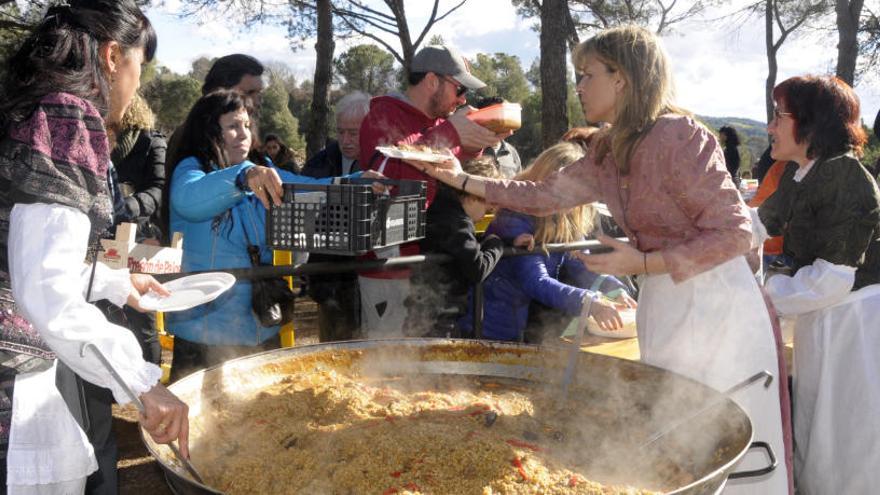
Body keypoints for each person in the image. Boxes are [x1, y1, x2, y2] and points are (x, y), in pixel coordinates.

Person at [408, 26, 792, 493]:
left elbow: (733, 233)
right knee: (674, 421)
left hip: (717, 303)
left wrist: (646, 264)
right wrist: (460, 178)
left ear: (623, 78)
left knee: (718, 429)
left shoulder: (680, 136)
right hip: (665, 297)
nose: (579, 87)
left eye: (587, 75)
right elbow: (543, 193)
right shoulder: (610, 146)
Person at [0, 2, 189, 493]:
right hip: (12, 386)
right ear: (111, 56)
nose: (137, 86)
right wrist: (144, 384)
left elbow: (32, 248)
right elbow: (46, 289)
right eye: (138, 68)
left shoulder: (28, 108)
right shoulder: (67, 115)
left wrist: (115, 281)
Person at [164, 89, 375, 380]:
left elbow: (306, 187)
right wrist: (242, 178)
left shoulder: (258, 170)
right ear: (210, 130)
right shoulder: (192, 168)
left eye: (247, 126)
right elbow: (188, 199)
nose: (243, 134)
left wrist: (356, 182)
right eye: (233, 126)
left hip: (259, 323)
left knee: (259, 413)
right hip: (205, 332)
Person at [756, 75, 880, 495]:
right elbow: (754, 226)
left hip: (854, 324)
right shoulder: (798, 174)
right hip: (820, 317)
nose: (771, 126)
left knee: (844, 439)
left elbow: (831, 281)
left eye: (779, 116)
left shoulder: (848, 179)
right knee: (815, 428)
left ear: (810, 122)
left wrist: (760, 295)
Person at [357, 45, 507, 337]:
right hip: (390, 267)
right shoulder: (383, 115)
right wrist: (451, 133)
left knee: (422, 367)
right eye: (459, 88)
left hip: (428, 270)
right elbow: (387, 178)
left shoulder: (437, 124)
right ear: (431, 81)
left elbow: (450, 180)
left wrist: (479, 142)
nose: (463, 99)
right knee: (388, 364)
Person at [465, 142, 634, 343]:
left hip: (522, 325)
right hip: (489, 326)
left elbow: (582, 265)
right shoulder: (513, 216)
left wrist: (613, 289)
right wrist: (590, 303)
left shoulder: (566, 216)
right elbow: (536, 281)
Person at [404, 157, 506, 338]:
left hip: (425, 310)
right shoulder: (458, 222)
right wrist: (497, 244)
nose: (485, 215)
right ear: (474, 196)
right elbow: (477, 269)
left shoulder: (440, 207)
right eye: (488, 208)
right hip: (440, 316)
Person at [300, 91, 371, 342]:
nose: (346, 140)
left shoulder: (383, 162)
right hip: (327, 275)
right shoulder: (320, 161)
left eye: (354, 133)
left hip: (369, 276)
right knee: (331, 346)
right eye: (341, 132)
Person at [165, 54, 267, 178]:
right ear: (219, 92)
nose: (257, 101)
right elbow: (190, 190)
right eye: (249, 93)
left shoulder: (250, 140)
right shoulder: (189, 138)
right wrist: (244, 179)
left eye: (259, 93)